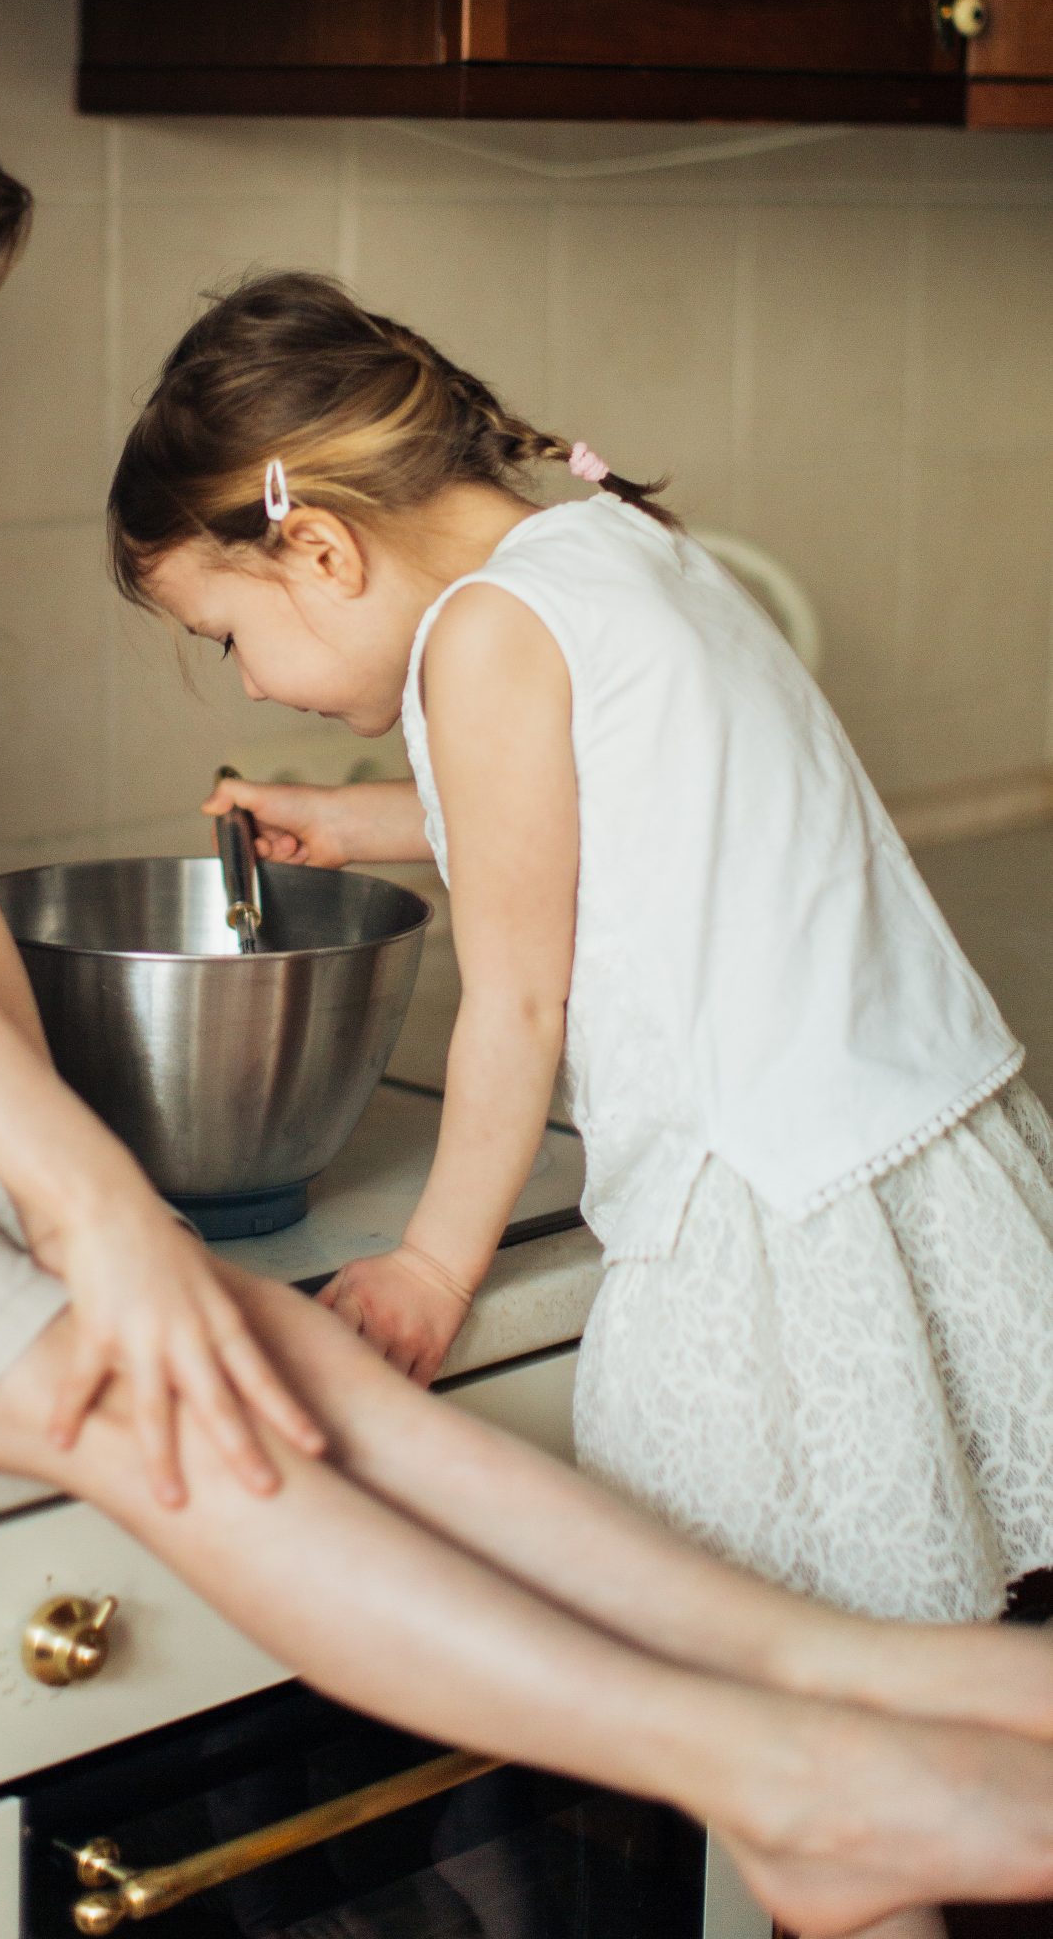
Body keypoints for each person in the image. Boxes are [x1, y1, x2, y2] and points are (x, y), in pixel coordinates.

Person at [0, 17, 1053, 1937]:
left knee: (256, 1350)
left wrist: (91, 1184)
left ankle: (869, 1676)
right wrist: (102, 1222)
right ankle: (785, 1772)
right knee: (146, 1398)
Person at [109, 266, 1053, 1939]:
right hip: (903, 1153)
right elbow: (575, 799)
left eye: (226, 636)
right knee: (904, 1726)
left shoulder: (482, 634)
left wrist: (432, 1265)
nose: (247, 682)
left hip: (768, 1217)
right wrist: (353, 821)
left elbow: (520, 998)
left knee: (806, 1764)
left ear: (318, 548)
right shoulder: (600, 546)